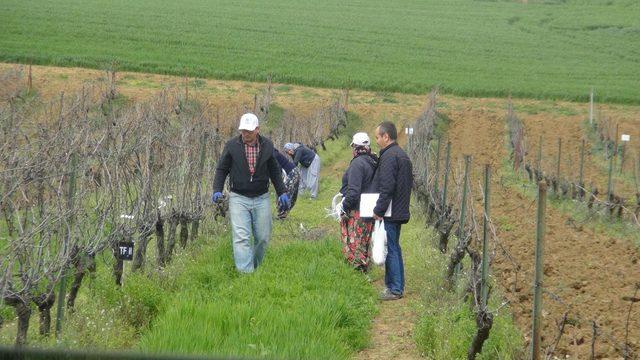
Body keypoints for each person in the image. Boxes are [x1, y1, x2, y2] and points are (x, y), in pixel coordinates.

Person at [212, 113, 290, 273]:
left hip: (261, 197)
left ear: (257, 130)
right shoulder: (232, 146)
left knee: (262, 238)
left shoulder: (267, 145)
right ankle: (246, 274)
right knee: (242, 237)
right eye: (243, 130)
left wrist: (282, 191)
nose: (245, 134)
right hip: (238, 197)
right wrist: (217, 190)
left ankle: (255, 266)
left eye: (248, 131)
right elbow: (222, 169)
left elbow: (274, 170)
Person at [371, 121, 413, 300]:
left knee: (391, 248)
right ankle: (395, 286)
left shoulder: (389, 156)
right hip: (399, 208)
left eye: (378, 137)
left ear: (386, 136)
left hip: (390, 211)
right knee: (394, 246)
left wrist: (378, 209)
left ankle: (395, 289)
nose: (377, 141)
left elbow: (387, 186)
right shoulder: (402, 155)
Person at [339, 132, 378, 272]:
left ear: (355, 147)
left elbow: (354, 192)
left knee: (355, 240)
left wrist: (344, 206)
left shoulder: (357, 164)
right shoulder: (373, 161)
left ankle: (357, 271)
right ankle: (365, 266)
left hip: (357, 209)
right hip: (370, 207)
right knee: (365, 239)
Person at [273, 148, 300, 219]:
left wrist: (279, 184)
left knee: (285, 194)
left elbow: (277, 169)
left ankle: (281, 215)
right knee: (291, 194)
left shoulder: (272, 154)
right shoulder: (273, 153)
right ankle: (283, 214)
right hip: (294, 171)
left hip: (291, 173)